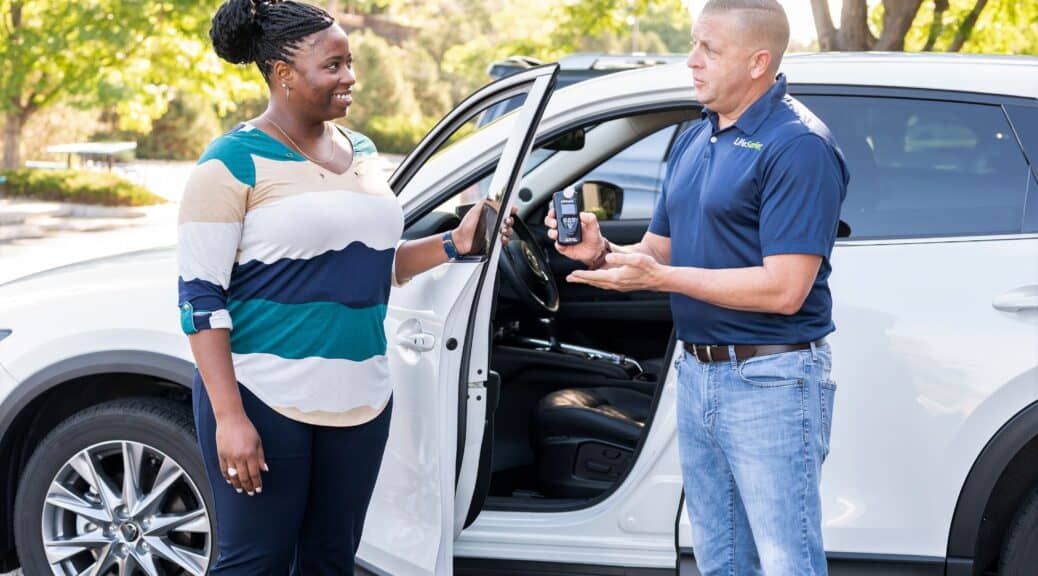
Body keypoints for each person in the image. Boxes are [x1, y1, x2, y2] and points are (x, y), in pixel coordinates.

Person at [177, 1, 510, 572]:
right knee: (254, 563)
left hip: (361, 401)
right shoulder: (231, 163)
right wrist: (230, 419)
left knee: (332, 562)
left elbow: (371, 265)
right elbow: (199, 301)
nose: (350, 77)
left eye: (349, 62)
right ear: (283, 74)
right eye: (332, 66)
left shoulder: (361, 153)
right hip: (265, 398)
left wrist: (456, 244)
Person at [545, 1, 848, 574]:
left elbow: (785, 290)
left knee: (787, 561)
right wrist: (603, 252)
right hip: (699, 375)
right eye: (693, 44)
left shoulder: (798, 146)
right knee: (720, 558)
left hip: (771, 382)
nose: (692, 61)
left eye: (710, 49)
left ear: (759, 62)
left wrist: (657, 278)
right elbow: (658, 251)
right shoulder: (694, 136)